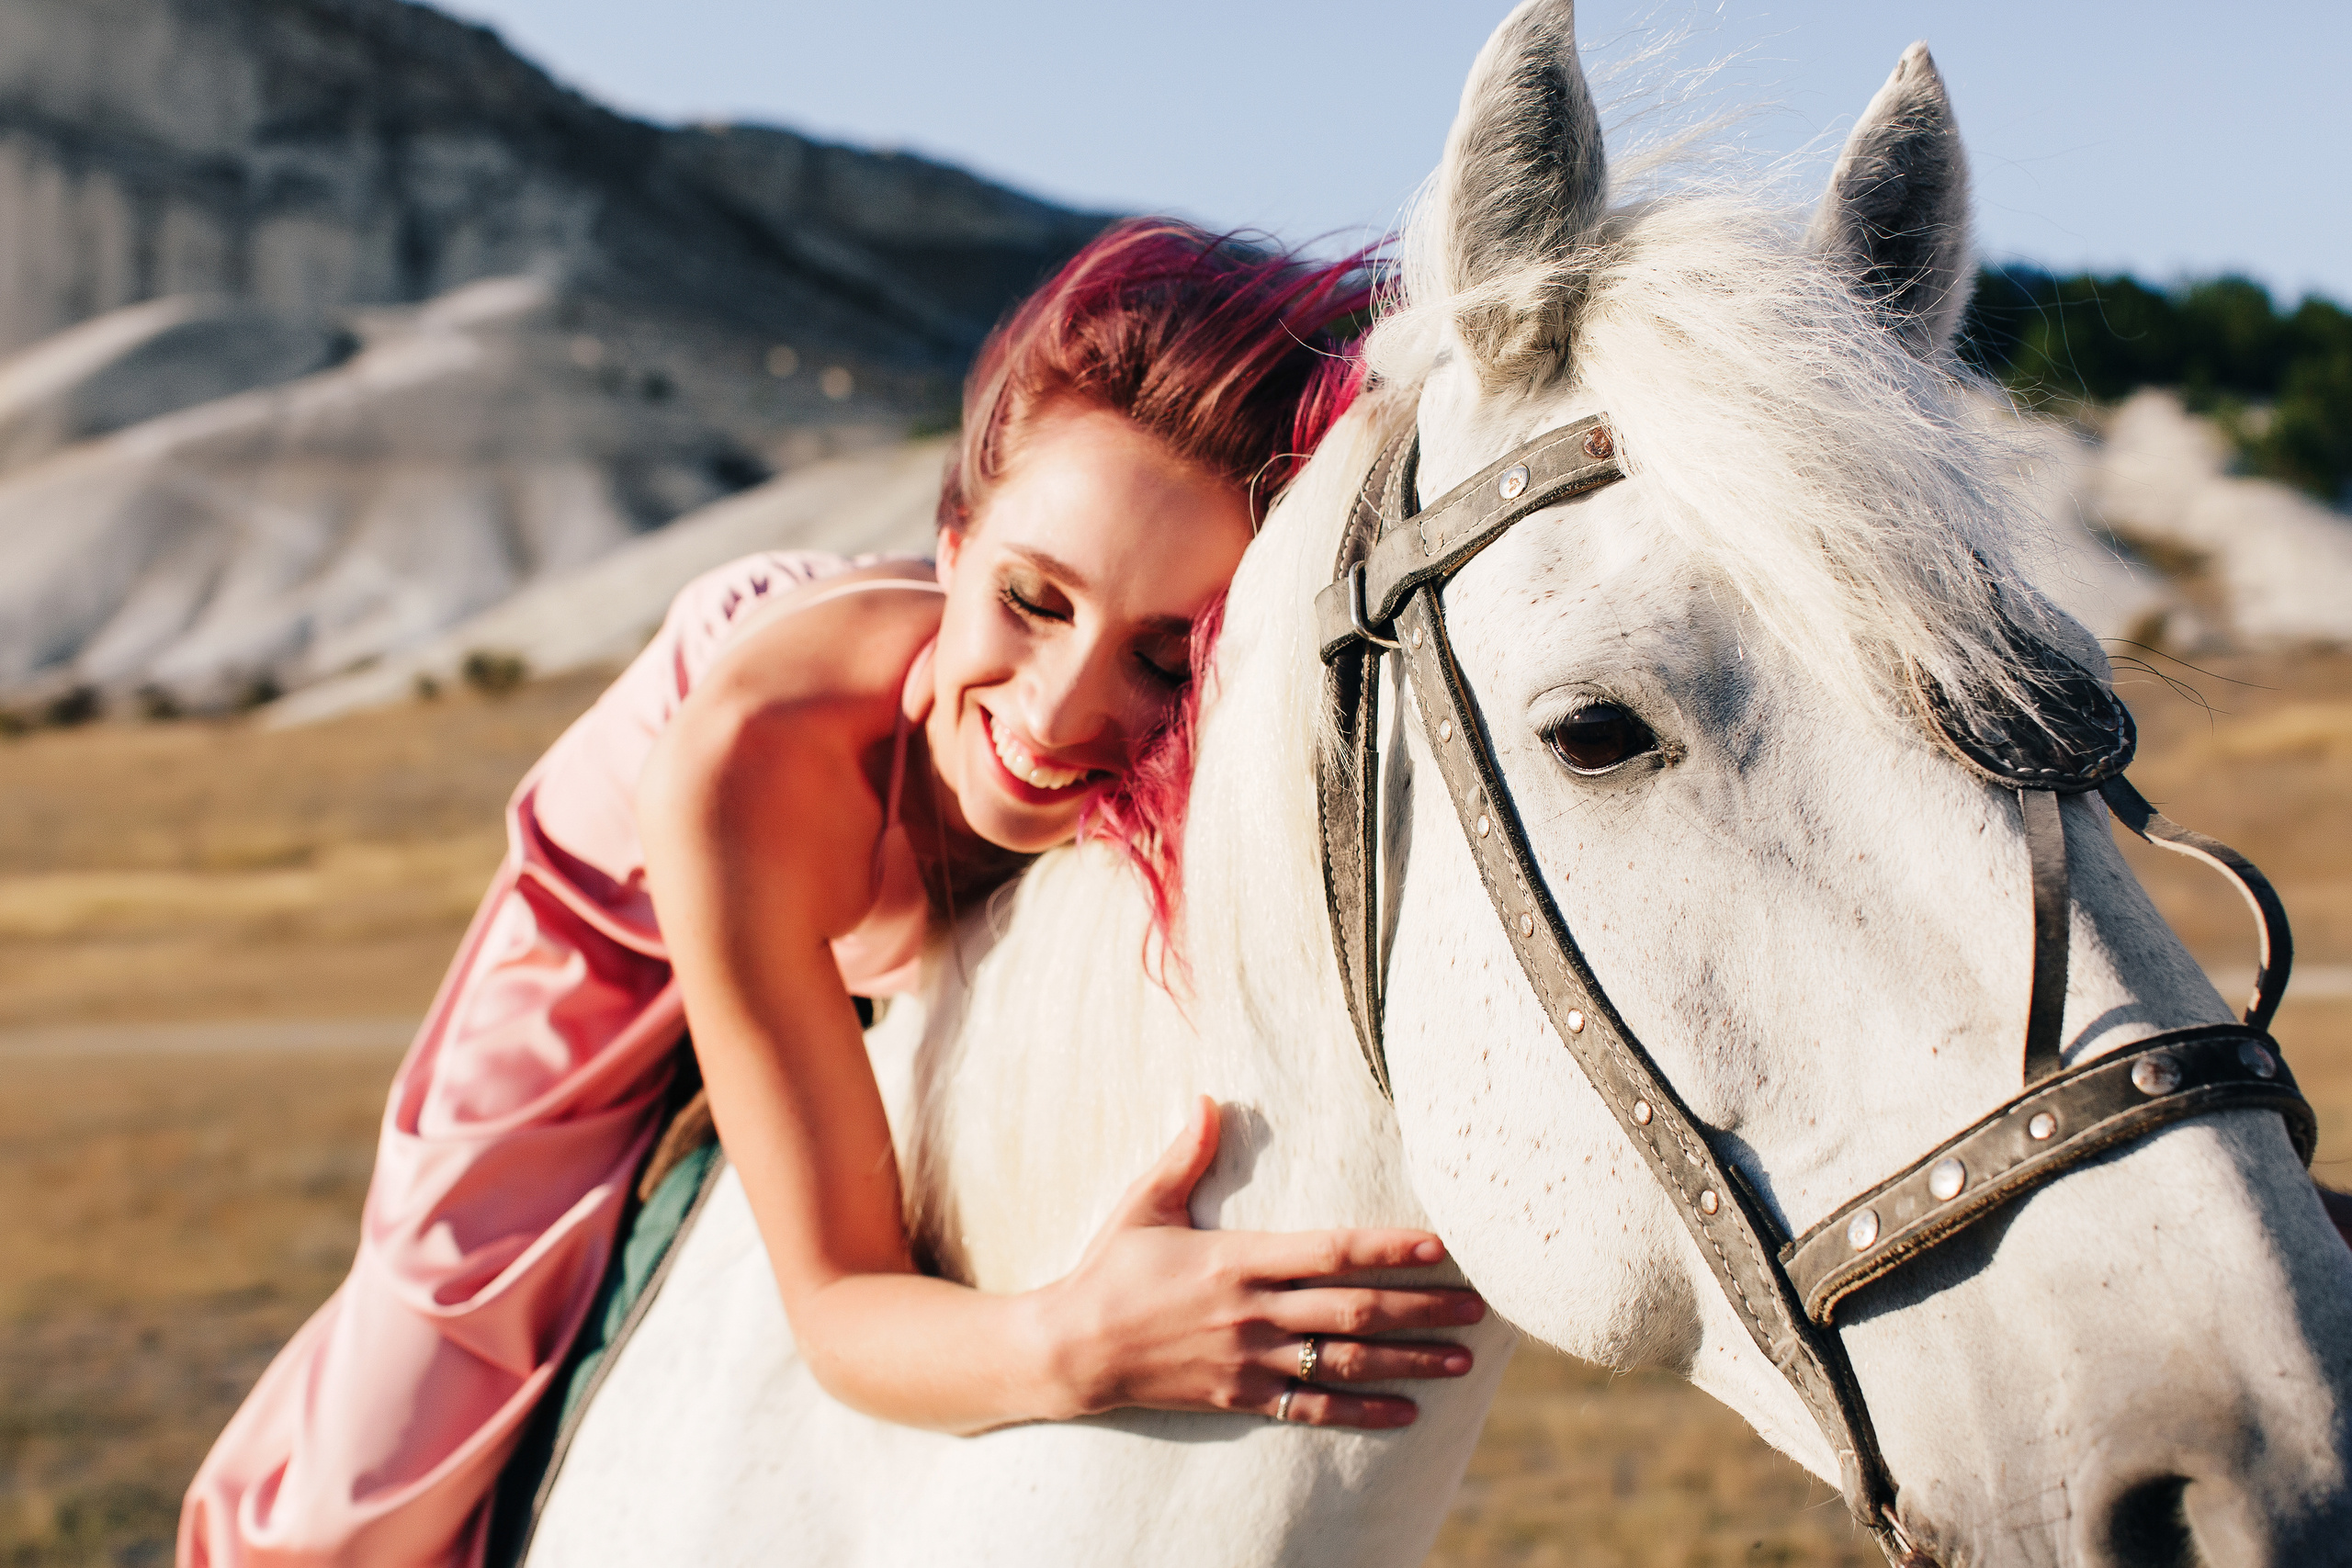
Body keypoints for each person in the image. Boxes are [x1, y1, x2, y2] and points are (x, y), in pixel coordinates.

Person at [179, 221, 1487, 1568]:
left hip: (858, 909)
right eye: (1032, 601)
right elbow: (839, 1307)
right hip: (618, 938)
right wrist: (1079, 1340)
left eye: (1163, 661)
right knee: (389, 1440)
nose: (1061, 712)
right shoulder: (754, 758)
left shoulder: (1197, 750)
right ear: (951, 539)